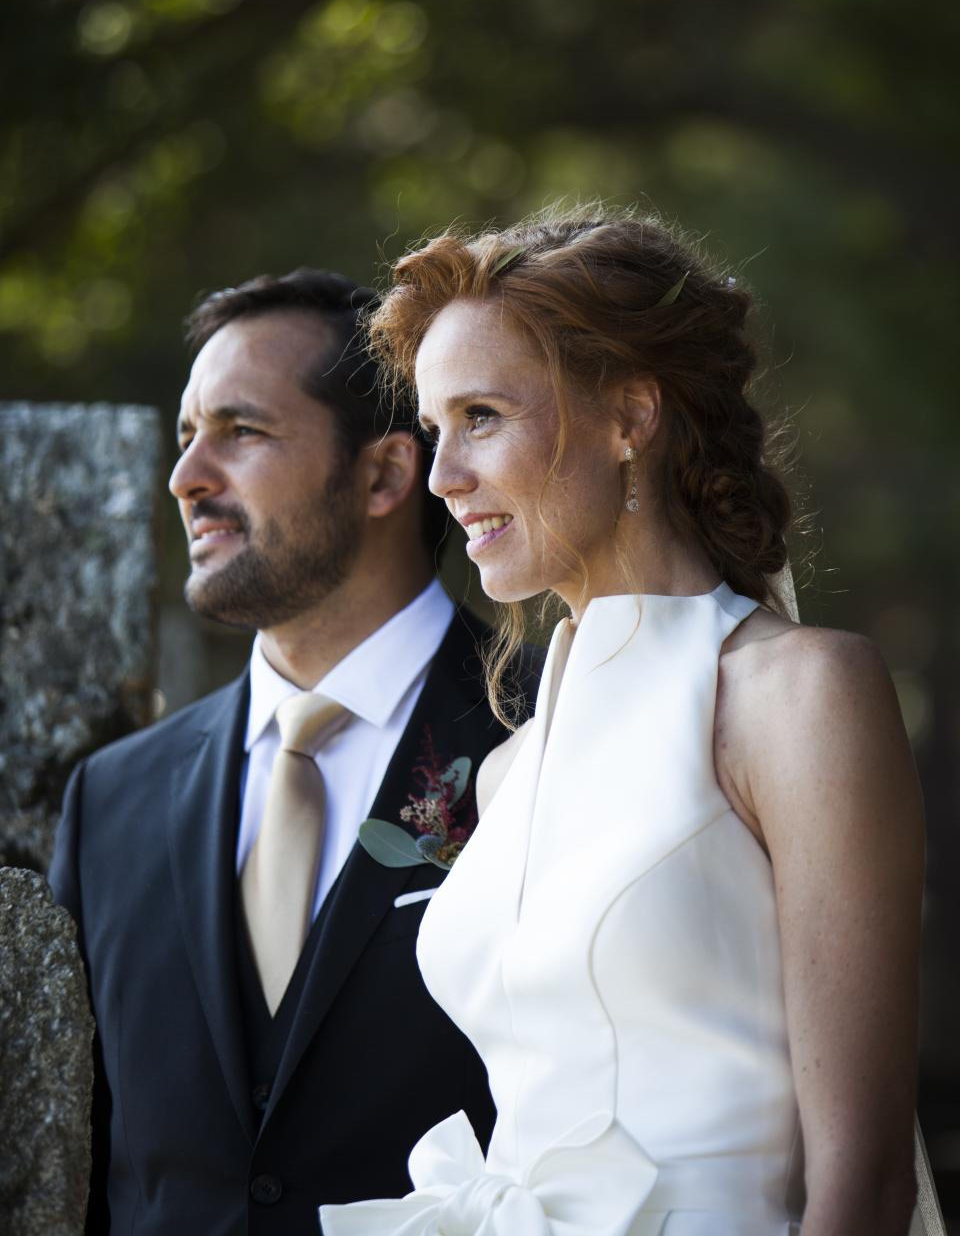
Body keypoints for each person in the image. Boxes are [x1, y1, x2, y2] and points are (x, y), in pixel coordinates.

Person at [320, 209, 925, 1236]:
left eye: (483, 418)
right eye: (434, 430)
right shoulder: (508, 775)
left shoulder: (798, 697)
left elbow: (864, 1185)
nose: (441, 478)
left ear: (629, 416)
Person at [49, 268, 537, 1235]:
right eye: (187, 437)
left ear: (386, 475)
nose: (187, 476)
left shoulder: (547, 734)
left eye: (242, 431)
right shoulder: (110, 799)